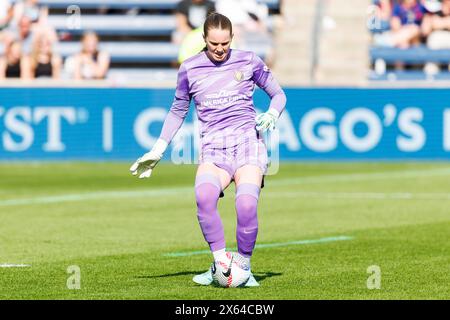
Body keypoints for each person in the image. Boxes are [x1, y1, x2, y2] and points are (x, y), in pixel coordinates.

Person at [130, 13, 286, 287]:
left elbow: (279, 94)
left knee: (246, 205)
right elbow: (178, 110)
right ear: (204, 39)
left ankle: (244, 268)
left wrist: (273, 114)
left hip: (248, 145)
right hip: (215, 149)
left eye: (225, 43)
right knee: (204, 197)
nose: (219, 49)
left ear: (231, 39)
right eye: (214, 43)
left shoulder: (248, 60)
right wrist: (158, 149)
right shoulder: (190, 69)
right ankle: (221, 264)